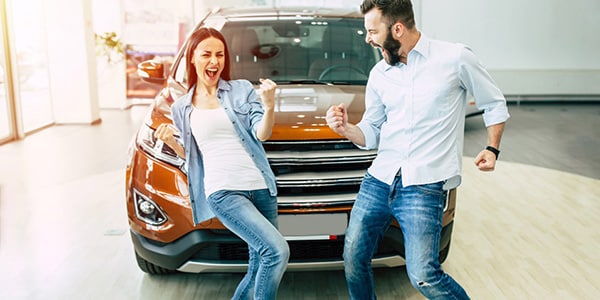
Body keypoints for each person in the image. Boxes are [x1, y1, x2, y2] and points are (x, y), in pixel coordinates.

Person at [325, 0, 510, 299]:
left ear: (397, 29)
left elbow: (493, 102)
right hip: (379, 180)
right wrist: (346, 129)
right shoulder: (380, 74)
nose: (368, 38)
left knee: (424, 275)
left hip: (424, 185)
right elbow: (371, 132)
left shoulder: (455, 58)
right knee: (353, 259)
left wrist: (492, 147)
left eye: (372, 31)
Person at [154, 27, 289, 300]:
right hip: (223, 191)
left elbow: (261, 134)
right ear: (192, 58)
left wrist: (270, 106)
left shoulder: (241, 90)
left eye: (220, 55)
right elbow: (191, 154)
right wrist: (171, 141)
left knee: (258, 263)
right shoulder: (181, 106)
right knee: (277, 251)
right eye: (206, 54)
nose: (214, 61)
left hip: (261, 187)